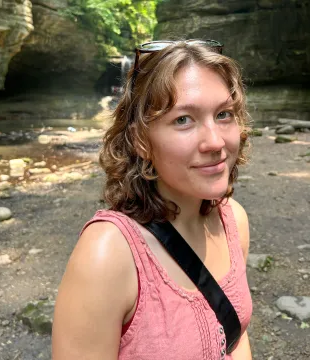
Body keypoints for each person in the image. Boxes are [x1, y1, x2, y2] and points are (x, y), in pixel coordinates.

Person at [52, 39, 253, 360]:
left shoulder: (233, 221)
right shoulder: (107, 255)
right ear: (141, 140)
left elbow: (236, 338)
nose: (215, 142)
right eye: (183, 119)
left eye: (224, 114)